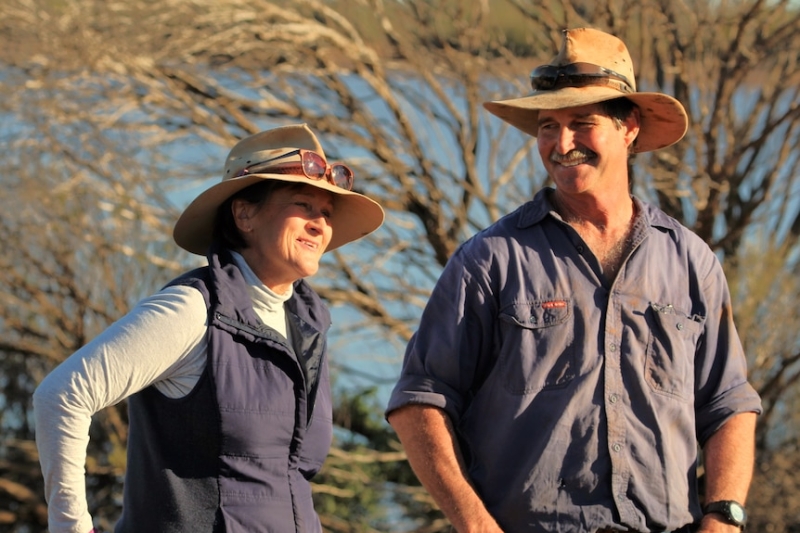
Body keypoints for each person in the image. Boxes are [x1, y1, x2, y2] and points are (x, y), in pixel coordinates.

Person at [386, 28, 761, 533]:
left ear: (628, 128)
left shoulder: (690, 261)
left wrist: (723, 516)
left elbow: (729, 403)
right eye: (547, 126)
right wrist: (474, 523)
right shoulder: (489, 259)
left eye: (582, 123)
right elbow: (419, 401)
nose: (561, 145)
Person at [33, 123, 384, 533]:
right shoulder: (193, 308)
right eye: (303, 204)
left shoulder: (308, 329)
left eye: (326, 213)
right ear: (244, 213)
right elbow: (61, 395)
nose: (319, 224)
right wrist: (70, 526)